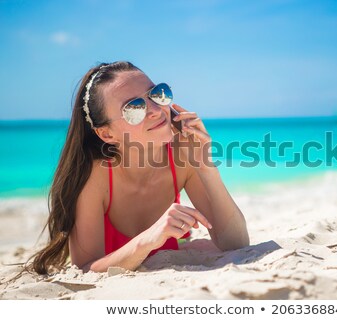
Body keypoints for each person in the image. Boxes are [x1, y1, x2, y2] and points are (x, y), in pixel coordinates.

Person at [30, 61, 249, 274]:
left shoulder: (183, 155)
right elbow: (85, 268)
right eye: (134, 107)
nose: (155, 109)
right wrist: (147, 240)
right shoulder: (95, 175)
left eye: (157, 93)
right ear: (107, 134)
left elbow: (236, 243)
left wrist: (206, 166)